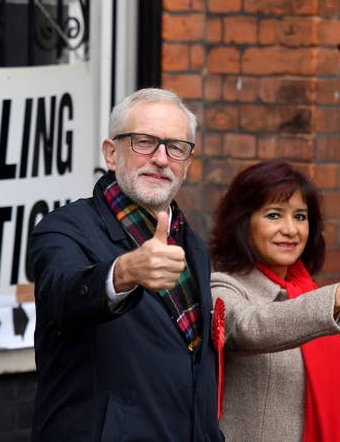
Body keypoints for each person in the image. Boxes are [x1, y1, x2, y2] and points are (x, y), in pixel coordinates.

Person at [30, 88, 221, 441]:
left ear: (188, 164)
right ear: (111, 153)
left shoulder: (191, 244)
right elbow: (64, 294)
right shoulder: (64, 229)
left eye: (176, 147)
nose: (162, 159)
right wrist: (125, 271)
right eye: (144, 142)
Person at [209, 160, 340, 442]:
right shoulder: (224, 287)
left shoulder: (304, 289)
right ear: (243, 223)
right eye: (274, 216)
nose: (291, 230)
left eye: (300, 216)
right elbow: (251, 328)